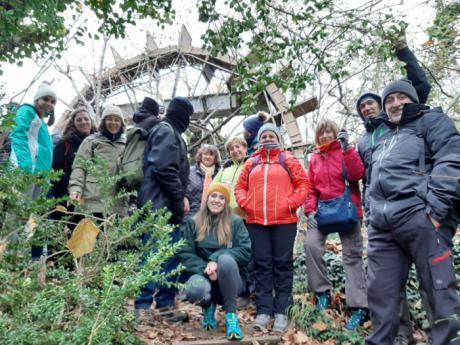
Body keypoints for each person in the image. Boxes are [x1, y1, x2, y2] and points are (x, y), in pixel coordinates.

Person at [365, 79, 460, 345]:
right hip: (382, 227)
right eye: (389, 100)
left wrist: (436, 211)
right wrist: (371, 215)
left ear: (413, 99)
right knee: (380, 295)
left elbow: (452, 160)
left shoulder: (433, 122)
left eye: (401, 97)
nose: (395, 103)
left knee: (439, 291)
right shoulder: (382, 135)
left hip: (422, 218)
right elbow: (372, 178)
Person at [356, 41, 433, 345]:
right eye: (362, 108)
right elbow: (364, 178)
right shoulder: (364, 140)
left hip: (415, 210)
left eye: (371, 103)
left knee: (432, 281)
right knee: (386, 283)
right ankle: (401, 336)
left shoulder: (405, 121)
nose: (368, 108)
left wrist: (404, 53)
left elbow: (420, 85)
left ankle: (438, 334)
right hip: (379, 215)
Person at [235, 123, 309, 333]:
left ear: (278, 138)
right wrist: (246, 203)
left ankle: (281, 312)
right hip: (256, 222)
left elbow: (303, 184)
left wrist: (290, 204)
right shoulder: (251, 162)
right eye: (264, 136)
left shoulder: (288, 159)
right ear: (259, 140)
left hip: (284, 222)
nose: (267, 139)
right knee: (262, 266)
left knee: (282, 265)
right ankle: (264, 311)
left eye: (271, 135)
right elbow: (239, 187)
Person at [304, 119, 368, 331]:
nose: (325, 136)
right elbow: (311, 188)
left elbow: (357, 174)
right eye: (321, 133)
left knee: (352, 256)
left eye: (328, 132)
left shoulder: (345, 151)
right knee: (311, 245)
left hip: (347, 210)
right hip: (323, 212)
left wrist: (347, 149)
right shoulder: (314, 158)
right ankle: (323, 292)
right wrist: (310, 210)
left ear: (335, 133)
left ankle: (358, 306)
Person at [135, 96, 194, 324]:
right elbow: (163, 168)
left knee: (171, 258)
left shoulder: (173, 133)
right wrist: (179, 200)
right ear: (182, 114)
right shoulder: (166, 131)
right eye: (187, 115)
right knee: (152, 258)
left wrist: (181, 199)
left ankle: (166, 307)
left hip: (167, 208)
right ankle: (142, 308)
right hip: (157, 206)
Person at [179, 182, 251, 340]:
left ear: (226, 202)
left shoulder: (236, 222)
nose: (217, 200)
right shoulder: (194, 222)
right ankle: (207, 307)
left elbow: (245, 251)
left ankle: (231, 317)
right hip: (204, 276)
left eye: (221, 197)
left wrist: (215, 260)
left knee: (225, 259)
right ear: (207, 198)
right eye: (213, 196)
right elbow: (185, 252)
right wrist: (206, 269)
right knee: (194, 288)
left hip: (230, 280)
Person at [68, 104, 127, 217]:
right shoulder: (91, 141)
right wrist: (75, 189)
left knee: (114, 234)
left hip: (117, 205)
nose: (113, 123)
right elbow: (79, 167)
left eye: (117, 120)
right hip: (91, 202)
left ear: (121, 124)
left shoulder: (126, 144)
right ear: (103, 122)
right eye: (109, 119)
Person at [10, 82, 56, 198]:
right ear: (37, 100)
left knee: (28, 213)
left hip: (39, 174)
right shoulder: (27, 111)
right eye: (45, 99)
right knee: (16, 211)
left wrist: (46, 177)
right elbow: (18, 135)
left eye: (52, 101)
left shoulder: (43, 124)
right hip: (26, 169)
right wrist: (24, 164)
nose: (49, 103)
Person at [51, 108, 96, 200]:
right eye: (79, 120)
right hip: (68, 194)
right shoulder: (65, 143)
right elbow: (55, 170)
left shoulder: (99, 143)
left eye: (86, 119)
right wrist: (73, 185)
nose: (83, 122)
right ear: (73, 124)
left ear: (91, 122)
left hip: (94, 195)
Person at [213, 137, 248, 217]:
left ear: (245, 148)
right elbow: (213, 186)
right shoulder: (225, 168)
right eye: (231, 149)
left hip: (245, 214)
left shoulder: (251, 165)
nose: (235, 150)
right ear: (229, 153)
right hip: (224, 213)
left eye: (237, 147)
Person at [186, 144, 221, 216]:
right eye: (205, 154)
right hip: (192, 213)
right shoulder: (190, 171)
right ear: (200, 156)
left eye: (211, 155)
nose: (208, 157)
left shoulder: (220, 173)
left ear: (215, 158)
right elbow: (183, 191)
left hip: (215, 214)